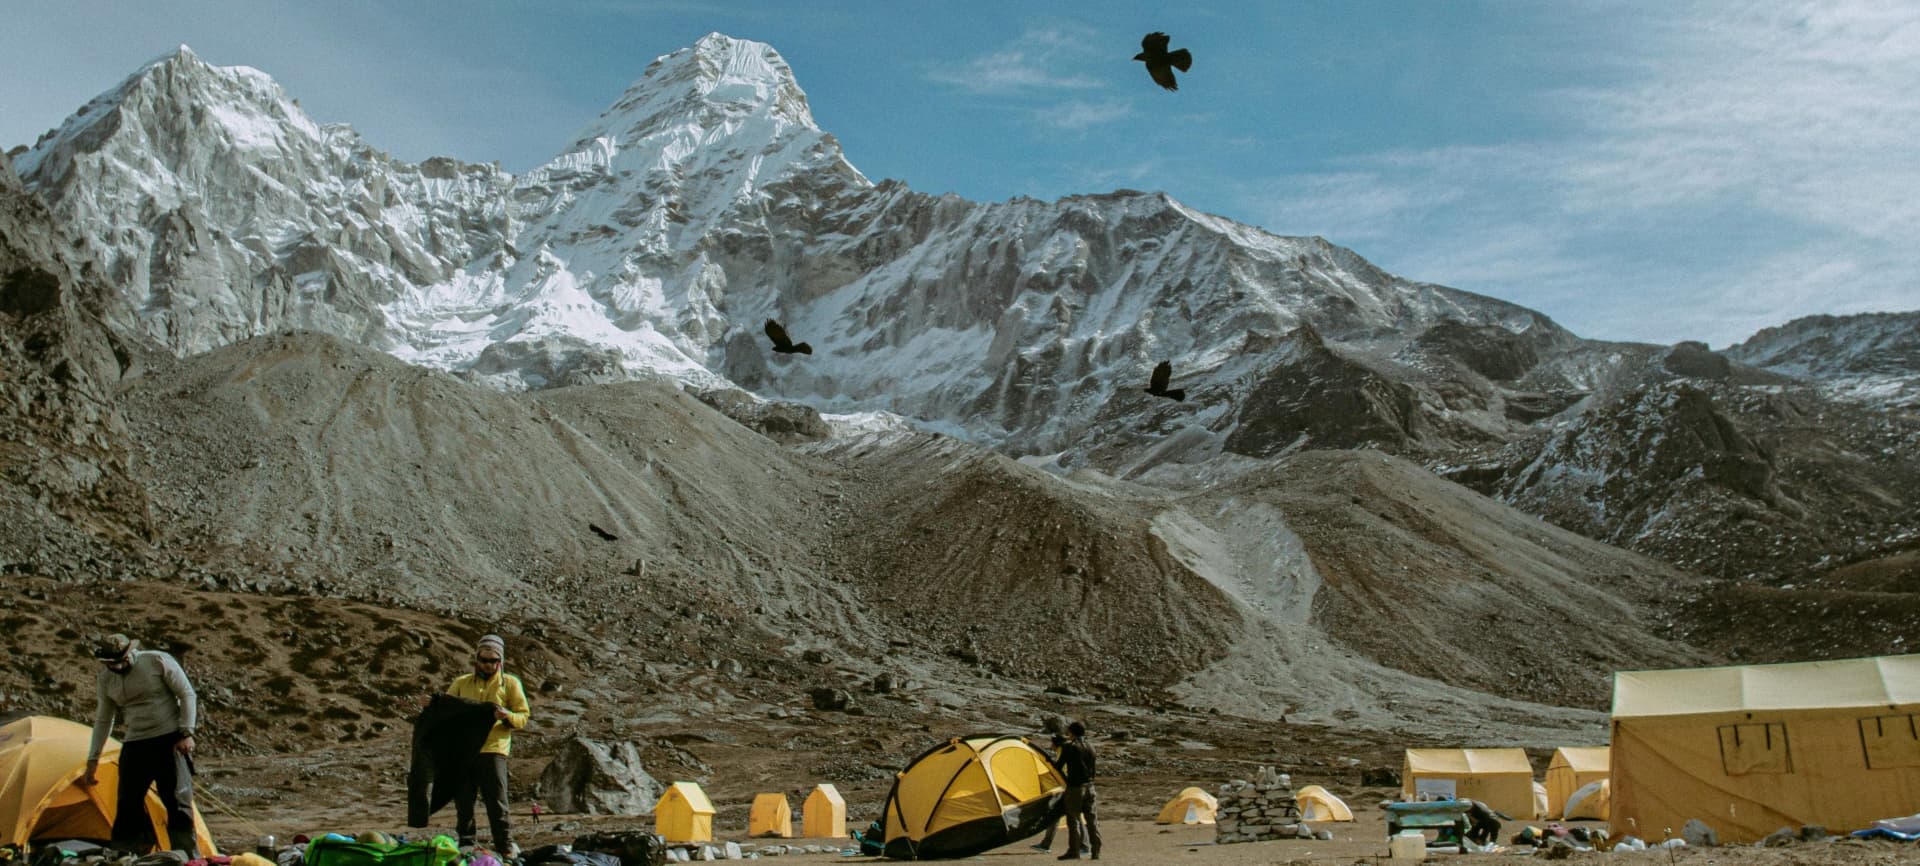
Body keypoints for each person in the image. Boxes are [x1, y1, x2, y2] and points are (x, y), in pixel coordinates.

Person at [79, 634, 200, 857]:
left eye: (119, 661)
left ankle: (187, 856)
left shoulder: (157, 661)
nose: (115, 666)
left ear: (129, 653)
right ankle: (125, 855)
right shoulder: (106, 679)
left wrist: (187, 731)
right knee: (127, 802)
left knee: (176, 801)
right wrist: (93, 759)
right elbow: (104, 719)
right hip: (135, 742)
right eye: (109, 663)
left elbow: (186, 693)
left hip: (169, 738)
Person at [445, 634, 531, 855]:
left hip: (493, 750)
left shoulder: (510, 683)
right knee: (464, 802)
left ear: (500, 661)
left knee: (497, 802)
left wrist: (506, 715)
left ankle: (505, 846)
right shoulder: (461, 683)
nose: (487, 665)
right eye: (483, 660)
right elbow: (445, 711)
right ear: (476, 659)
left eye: (493, 661)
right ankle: (466, 843)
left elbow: (523, 717)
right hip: (464, 751)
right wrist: (432, 705)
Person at [1028, 733, 1086, 856]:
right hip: (1073, 788)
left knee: (1060, 816)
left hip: (1067, 790)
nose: (1050, 745)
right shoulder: (1069, 750)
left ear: (1056, 744)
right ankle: (1047, 844)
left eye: (1052, 743)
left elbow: (1062, 770)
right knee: (1071, 817)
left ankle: (1047, 845)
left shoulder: (1063, 751)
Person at [1057, 721, 1100, 860]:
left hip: (1075, 787)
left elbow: (1059, 766)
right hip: (1090, 786)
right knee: (1092, 820)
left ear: (1072, 732)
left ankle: (1074, 851)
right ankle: (1096, 851)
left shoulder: (1069, 747)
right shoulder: (1091, 746)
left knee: (1073, 819)